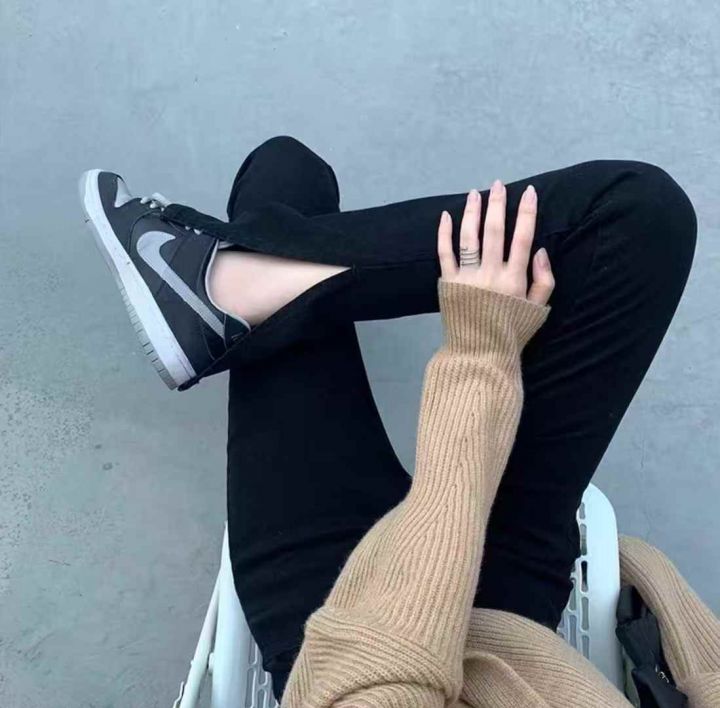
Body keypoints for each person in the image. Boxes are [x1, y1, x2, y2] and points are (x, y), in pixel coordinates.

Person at [78, 136, 719, 706]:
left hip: (345, 630)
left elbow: (372, 675)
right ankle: (229, 284)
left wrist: (481, 348)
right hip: (509, 632)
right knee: (639, 217)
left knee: (286, 172)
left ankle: (223, 284)